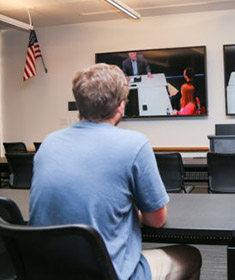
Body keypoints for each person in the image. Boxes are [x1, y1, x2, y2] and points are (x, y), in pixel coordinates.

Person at [29, 64, 201, 280]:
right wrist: (129, 214)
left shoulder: (49, 143)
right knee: (190, 255)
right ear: (121, 106)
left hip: (50, 271)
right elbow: (157, 219)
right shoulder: (134, 144)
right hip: (106, 273)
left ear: (80, 104)